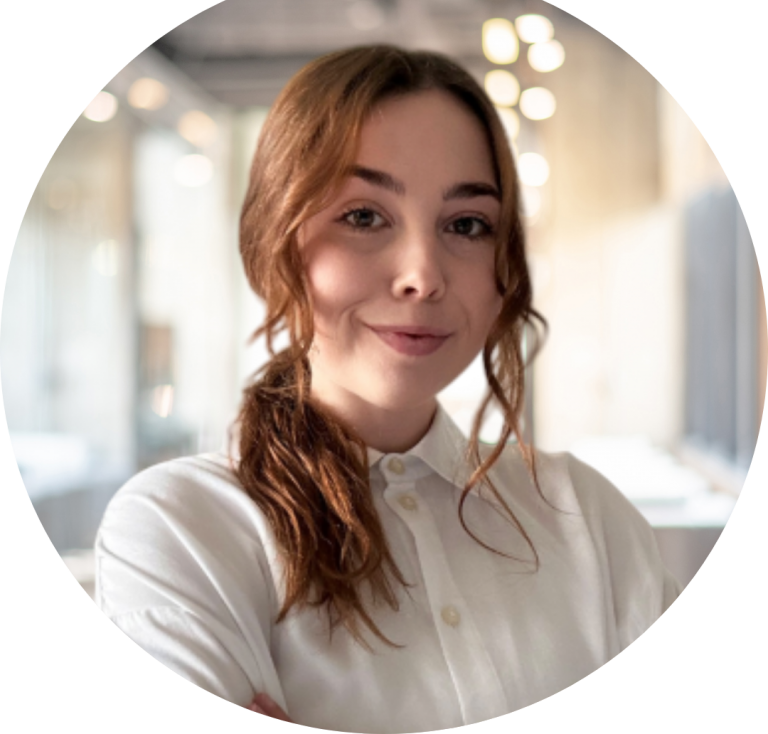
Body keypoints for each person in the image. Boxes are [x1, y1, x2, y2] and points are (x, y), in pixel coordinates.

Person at [95, 46, 680, 731]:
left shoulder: (585, 516)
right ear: (272, 240)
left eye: (467, 225)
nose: (422, 276)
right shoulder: (184, 529)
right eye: (364, 217)